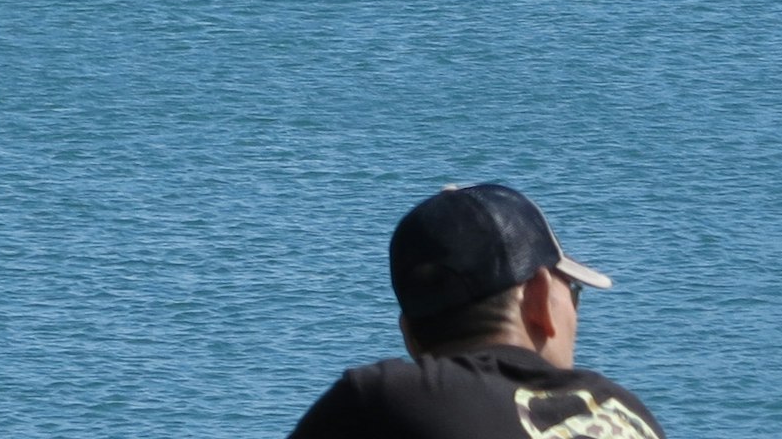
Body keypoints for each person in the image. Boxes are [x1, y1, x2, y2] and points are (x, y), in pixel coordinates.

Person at [284, 183, 665, 437]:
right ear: (538, 298)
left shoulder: (379, 401)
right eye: (575, 293)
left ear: (410, 336)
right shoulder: (622, 411)